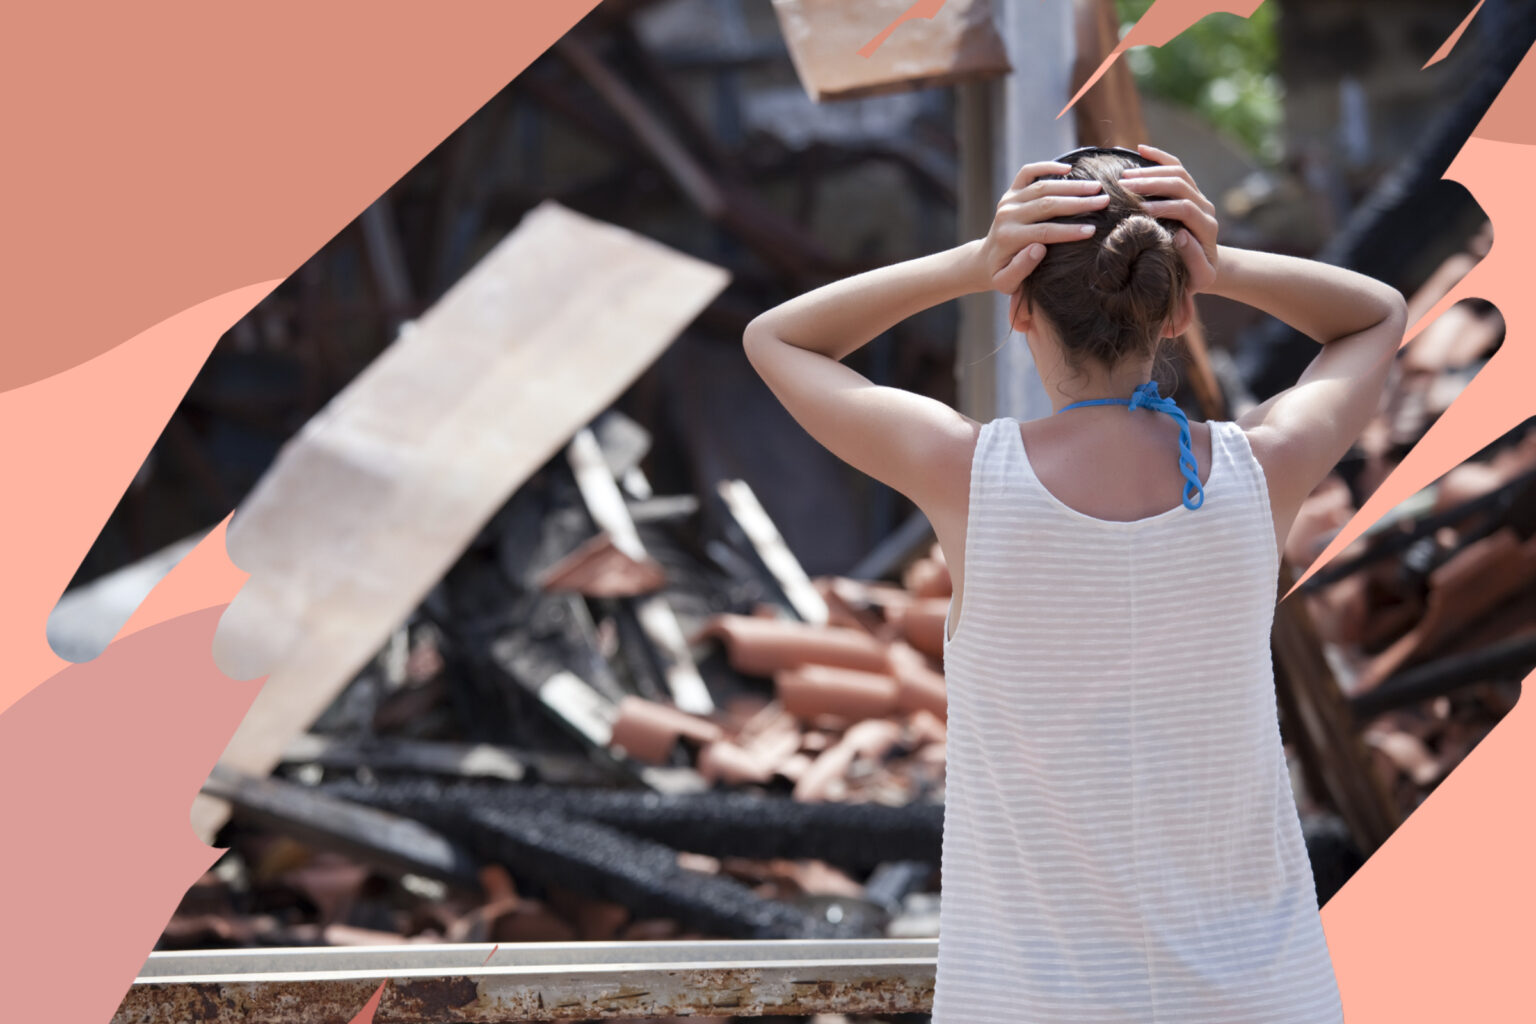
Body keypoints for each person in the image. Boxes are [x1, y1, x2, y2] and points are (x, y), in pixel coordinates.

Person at [743, 143, 1405, 1023]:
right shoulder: (1262, 468)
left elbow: (777, 337)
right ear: (1177, 309)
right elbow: (1377, 314)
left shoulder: (967, 476)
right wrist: (1222, 263)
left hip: (1032, 1004)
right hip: (1264, 998)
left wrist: (970, 262)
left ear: (1018, 306)